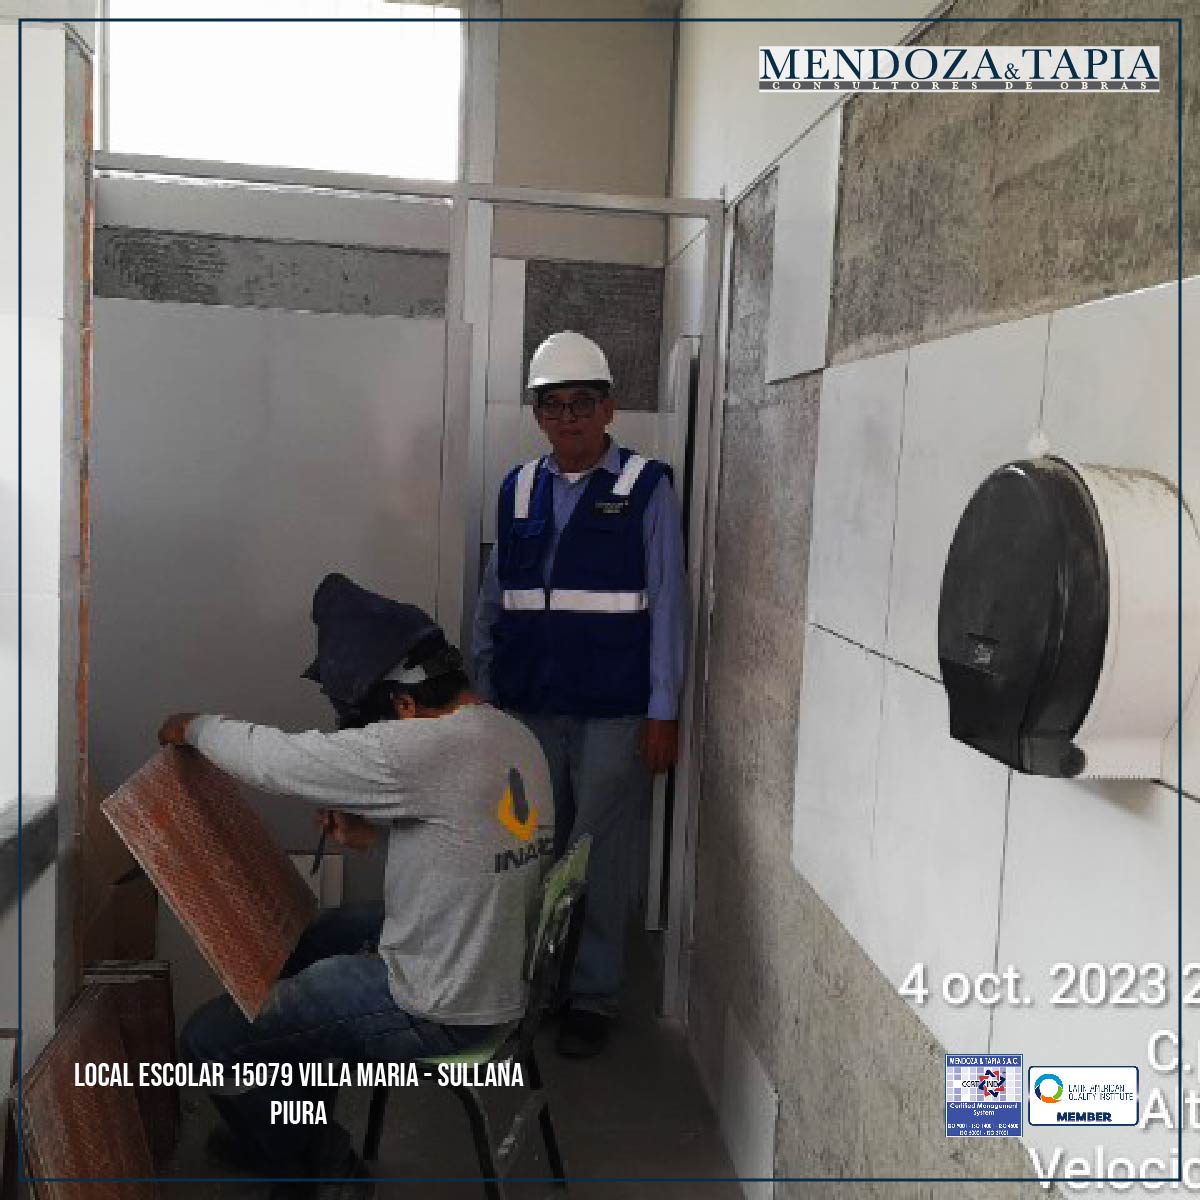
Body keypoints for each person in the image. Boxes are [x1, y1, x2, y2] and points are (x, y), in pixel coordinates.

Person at [160, 573, 553, 1195]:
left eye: (378, 727)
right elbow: (474, 840)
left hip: (440, 1004)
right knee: (309, 941)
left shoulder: (422, 748)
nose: (377, 741)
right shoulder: (508, 732)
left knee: (210, 1040)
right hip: (488, 962)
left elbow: (277, 761)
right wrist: (374, 836)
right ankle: (286, 1121)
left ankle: (322, 1165)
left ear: (403, 705)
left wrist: (196, 727)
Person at [472, 330, 689, 1059]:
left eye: (582, 403)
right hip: (528, 706)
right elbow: (493, 600)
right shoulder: (517, 488)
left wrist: (663, 711)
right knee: (532, 851)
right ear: (538, 414)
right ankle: (536, 987)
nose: (567, 418)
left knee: (595, 853)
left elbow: (669, 605)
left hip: (613, 710)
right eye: (553, 405)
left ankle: (592, 993)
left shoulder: (645, 488)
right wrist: (479, 699)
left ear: (608, 409)